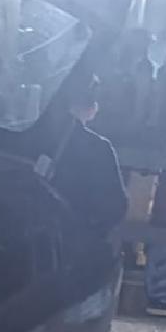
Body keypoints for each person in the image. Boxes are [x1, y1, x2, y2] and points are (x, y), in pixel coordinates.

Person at [49, 76, 129, 273]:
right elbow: (115, 207)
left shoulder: (25, 133)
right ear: (91, 108)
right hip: (71, 248)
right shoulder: (98, 148)